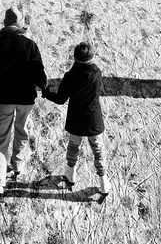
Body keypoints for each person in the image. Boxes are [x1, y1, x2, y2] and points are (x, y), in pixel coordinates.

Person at [0, 7, 47, 197]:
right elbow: (40, 75)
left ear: (5, 24)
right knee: (22, 130)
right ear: (20, 24)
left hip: (4, 98)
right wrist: (43, 86)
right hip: (26, 98)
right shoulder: (30, 45)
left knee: (0, 139)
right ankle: (17, 165)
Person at [42, 42, 111, 195]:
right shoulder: (97, 73)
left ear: (75, 58)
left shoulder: (70, 76)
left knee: (74, 147)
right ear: (91, 58)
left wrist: (46, 93)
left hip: (76, 117)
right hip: (93, 118)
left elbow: (60, 99)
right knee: (98, 150)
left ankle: (71, 174)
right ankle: (103, 183)